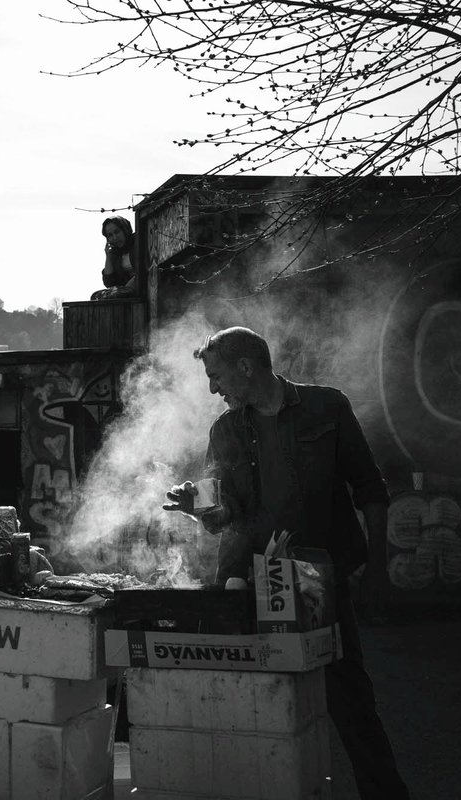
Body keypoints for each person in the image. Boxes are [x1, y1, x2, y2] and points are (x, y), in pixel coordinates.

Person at [163, 326, 410, 800]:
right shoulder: (226, 430)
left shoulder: (328, 407)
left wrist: (377, 570)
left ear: (246, 367)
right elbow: (224, 515)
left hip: (321, 582)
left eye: (216, 377)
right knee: (253, 700)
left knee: (350, 699)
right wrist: (202, 510)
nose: (213, 389)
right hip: (252, 585)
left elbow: (371, 489)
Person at [90, 215, 137, 300]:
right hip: (124, 293)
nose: (115, 237)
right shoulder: (115, 253)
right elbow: (109, 283)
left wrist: (127, 289)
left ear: (125, 230)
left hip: (142, 288)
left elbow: (143, 271)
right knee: (95, 296)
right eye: (110, 235)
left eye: (117, 232)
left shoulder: (138, 243)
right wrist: (108, 256)